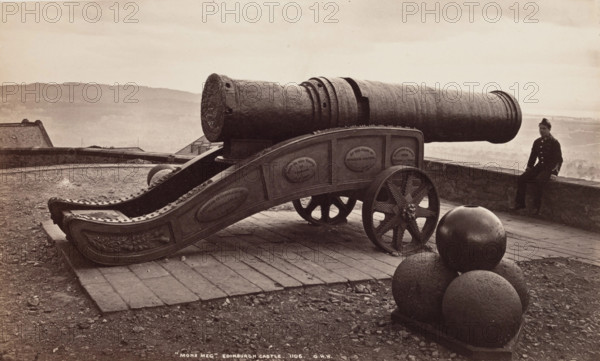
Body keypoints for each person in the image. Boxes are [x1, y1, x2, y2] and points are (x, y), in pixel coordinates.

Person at [511, 118, 563, 214]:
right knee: (522, 178)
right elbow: (533, 156)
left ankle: (536, 207)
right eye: (540, 128)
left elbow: (558, 160)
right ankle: (520, 203)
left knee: (539, 181)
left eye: (544, 128)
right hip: (539, 167)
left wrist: (554, 173)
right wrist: (529, 168)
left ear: (549, 129)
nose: (541, 131)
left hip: (548, 169)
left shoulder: (554, 143)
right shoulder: (537, 142)